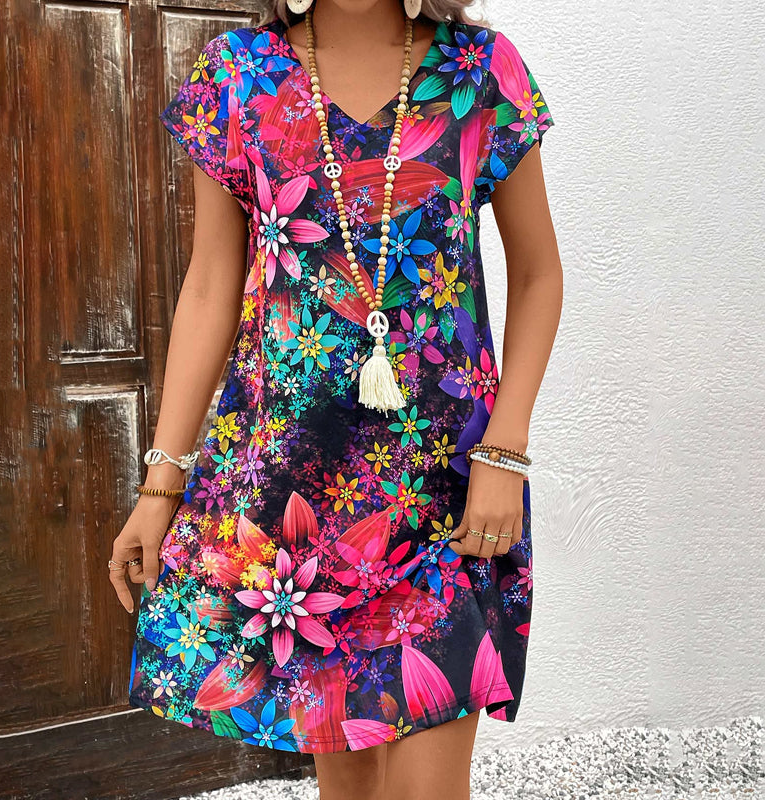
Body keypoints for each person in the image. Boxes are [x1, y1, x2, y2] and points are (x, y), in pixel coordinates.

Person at [110, 0, 561, 796]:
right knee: (348, 787)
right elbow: (210, 286)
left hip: (444, 494)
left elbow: (538, 274)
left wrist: (505, 451)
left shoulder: (480, 71)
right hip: (298, 508)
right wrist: (160, 482)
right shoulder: (239, 75)